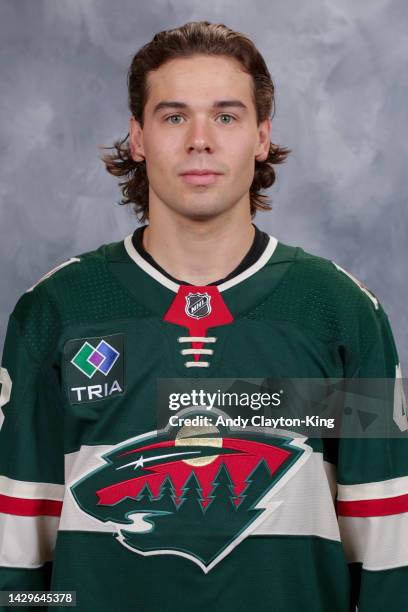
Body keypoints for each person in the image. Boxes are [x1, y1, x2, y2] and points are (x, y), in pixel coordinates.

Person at [0, 20, 407, 612]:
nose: (199, 140)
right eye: (173, 116)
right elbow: (16, 557)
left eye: (226, 115)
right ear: (138, 137)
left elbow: (387, 546)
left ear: (261, 136)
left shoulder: (342, 313)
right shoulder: (57, 311)